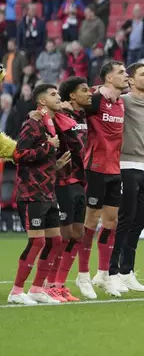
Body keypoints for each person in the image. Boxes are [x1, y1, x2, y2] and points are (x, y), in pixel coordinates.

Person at [7, 84, 67, 305]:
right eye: (53, 95)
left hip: (48, 192)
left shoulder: (49, 124)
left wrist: (55, 164)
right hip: (31, 193)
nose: (58, 97)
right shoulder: (32, 124)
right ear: (42, 102)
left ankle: (36, 289)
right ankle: (16, 291)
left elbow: (40, 160)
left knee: (55, 241)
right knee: (37, 242)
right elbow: (19, 155)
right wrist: (47, 146)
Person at [75, 61, 128, 299]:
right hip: (95, 167)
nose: (126, 76)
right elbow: (73, 107)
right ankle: (83, 275)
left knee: (112, 220)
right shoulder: (95, 100)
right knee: (91, 219)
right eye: (121, 73)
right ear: (108, 78)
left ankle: (104, 274)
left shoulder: (120, 104)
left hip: (114, 169)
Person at [108, 64, 144, 294]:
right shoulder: (123, 101)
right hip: (124, 165)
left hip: (142, 166)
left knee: (139, 221)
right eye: (142, 74)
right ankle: (112, 271)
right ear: (130, 80)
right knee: (124, 221)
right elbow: (103, 94)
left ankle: (127, 271)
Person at [45, 77, 91, 302]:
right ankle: (48, 283)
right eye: (84, 90)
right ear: (72, 96)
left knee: (78, 234)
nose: (90, 93)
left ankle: (60, 284)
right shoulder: (59, 115)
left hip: (80, 181)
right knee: (62, 235)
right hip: (62, 181)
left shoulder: (86, 114)